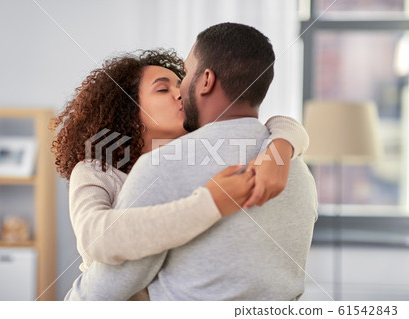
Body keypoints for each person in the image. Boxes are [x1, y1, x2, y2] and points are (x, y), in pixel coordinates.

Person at [59, 30, 313, 300]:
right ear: (129, 109)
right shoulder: (98, 172)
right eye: (162, 89)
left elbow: (279, 125)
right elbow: (96, 237)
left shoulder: (192, 163)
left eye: (180, 82)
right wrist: (210, 202)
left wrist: (281, 146)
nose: (180, 93)